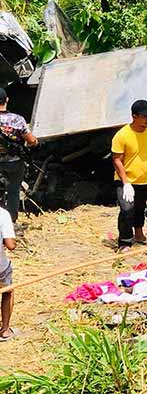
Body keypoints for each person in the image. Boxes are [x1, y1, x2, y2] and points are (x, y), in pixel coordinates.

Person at [111, 100, 147, 253]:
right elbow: (117, 159)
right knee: (126, 209)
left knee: (140, 207)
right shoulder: (122, 135)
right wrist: (125, 182)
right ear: (134, 116)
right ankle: (125, 241)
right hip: (126, 180)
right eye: (143, 116)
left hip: (145, 178)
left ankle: (139, 234)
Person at [0, 87, 38, 224]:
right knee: (13, 191)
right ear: (7, 100)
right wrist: (35, 142)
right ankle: (11, 222)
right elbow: (31, 140)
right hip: (14, 163)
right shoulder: (17, 120)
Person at [0, 206, 17, 341]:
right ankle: (5, 330)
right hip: (1, 269)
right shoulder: (3, 214)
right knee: (7, 292)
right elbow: (11, 245)